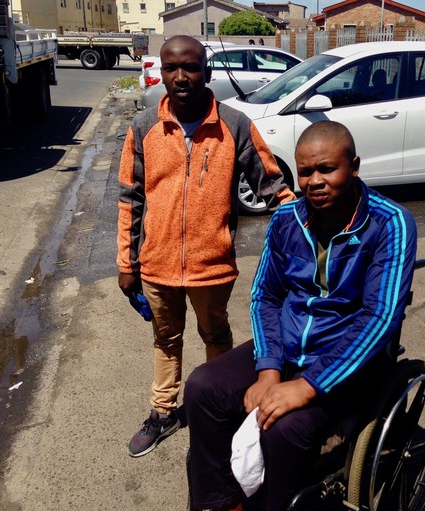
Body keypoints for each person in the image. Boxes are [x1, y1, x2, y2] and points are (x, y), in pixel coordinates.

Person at [185, 121, 418, 510]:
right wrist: (270, 370)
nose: (315, 181)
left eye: (327, 169)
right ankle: (223, 502)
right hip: (288, 347)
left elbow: (379, 318)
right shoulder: (286, 219)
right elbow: (265, 296)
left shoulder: (389, 223)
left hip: (349, 361)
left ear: (354, 166)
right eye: (306, 171)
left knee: (284, 430)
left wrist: (307, 386)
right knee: (202, 387)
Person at [117, 35, 295, 458]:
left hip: (212, 265)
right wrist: (127, 262)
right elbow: (130, 199)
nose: (181, 76)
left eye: (191, 67)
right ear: (160, 72)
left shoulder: (233, 124)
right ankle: (163, 413)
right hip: (156, 264)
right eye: (171, 67)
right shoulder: (144, 128)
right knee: (165, 338)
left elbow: (273, 187)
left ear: (207, 72)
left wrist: (308, 232)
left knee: (216, 336)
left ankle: (226, 407)